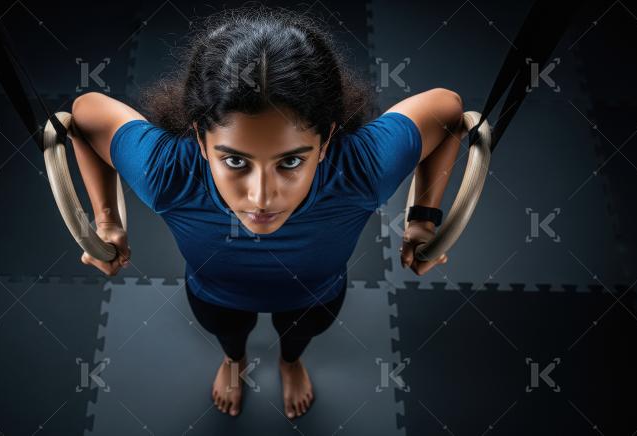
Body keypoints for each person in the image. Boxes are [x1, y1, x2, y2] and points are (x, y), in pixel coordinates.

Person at [68, 6, 461, 419]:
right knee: (229, 335)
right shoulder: (170, 173)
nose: (261, 198)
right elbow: (85, 116)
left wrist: (423, 218)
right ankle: (234, 363)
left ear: (326, 140)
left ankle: (290, 363)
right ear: (201, 139)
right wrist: (106, 221)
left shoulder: (359, 170)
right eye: (236, 162)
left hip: (316, 295)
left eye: (290, 162)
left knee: (299, 336)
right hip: (215, 294)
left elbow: (448, 109)